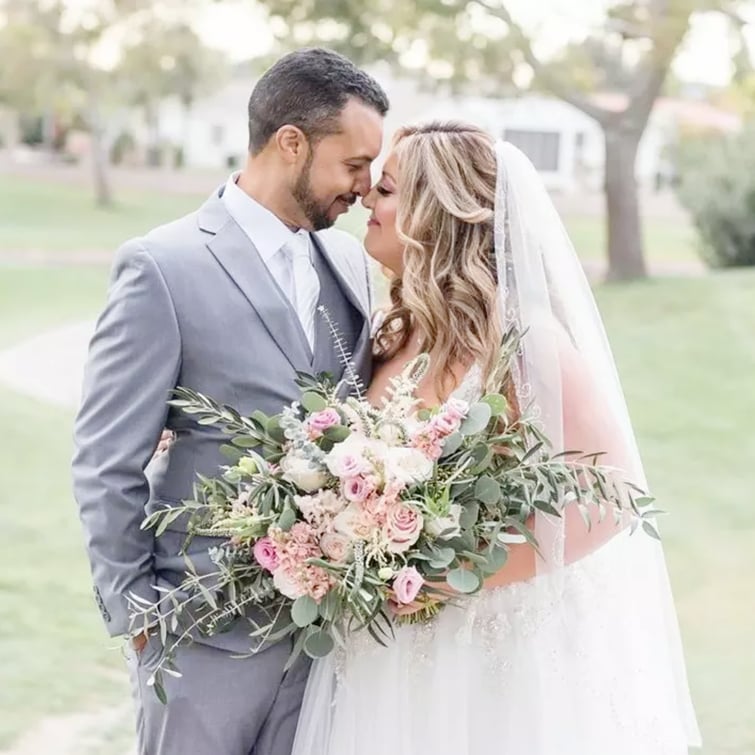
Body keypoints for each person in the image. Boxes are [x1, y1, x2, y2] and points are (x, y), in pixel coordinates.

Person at [291, 121, 702, 755]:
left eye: (389, 190)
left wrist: (447, 577)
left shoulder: (523, 340)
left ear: (439, 213)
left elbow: (611, 497)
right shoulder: (395, 334)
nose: (369, 201)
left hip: (493, 649)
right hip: (388, 651)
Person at [72, 48, 387, 755]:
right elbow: (104, 458)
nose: (365, 188)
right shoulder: (163, 265)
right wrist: (138, 611)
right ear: (291, 143)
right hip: (200, 642)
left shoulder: (350, 268)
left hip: (323, 652)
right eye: (354, 163)